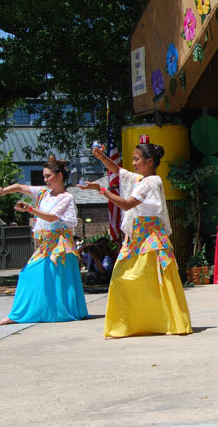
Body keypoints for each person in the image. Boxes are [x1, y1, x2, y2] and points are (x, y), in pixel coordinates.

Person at [79, 139, 192, 338]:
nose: (134, 163)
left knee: (153, 279)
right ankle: (139, 322)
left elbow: (126, 204)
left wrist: (101, 190)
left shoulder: (150, 182)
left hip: (151, 236)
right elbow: (119, 171)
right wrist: (102, 157)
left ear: (149, 161)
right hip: (138, 235)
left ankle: (166, 321)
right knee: (125, 278)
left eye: (137, 159)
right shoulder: (141, 179)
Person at [0, 157, 88, 325]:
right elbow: (20, 187)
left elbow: (52, 217)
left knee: (56, 278)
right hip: (47, 243)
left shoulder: (66, 197)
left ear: (59, 176)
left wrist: (30, 209)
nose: (45, 180)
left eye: (48, 176)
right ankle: (18, 314)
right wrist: (4, 191)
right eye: (44, 176)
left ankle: (54, 312)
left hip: (60, 244)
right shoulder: (44, 193)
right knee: (29, 274)